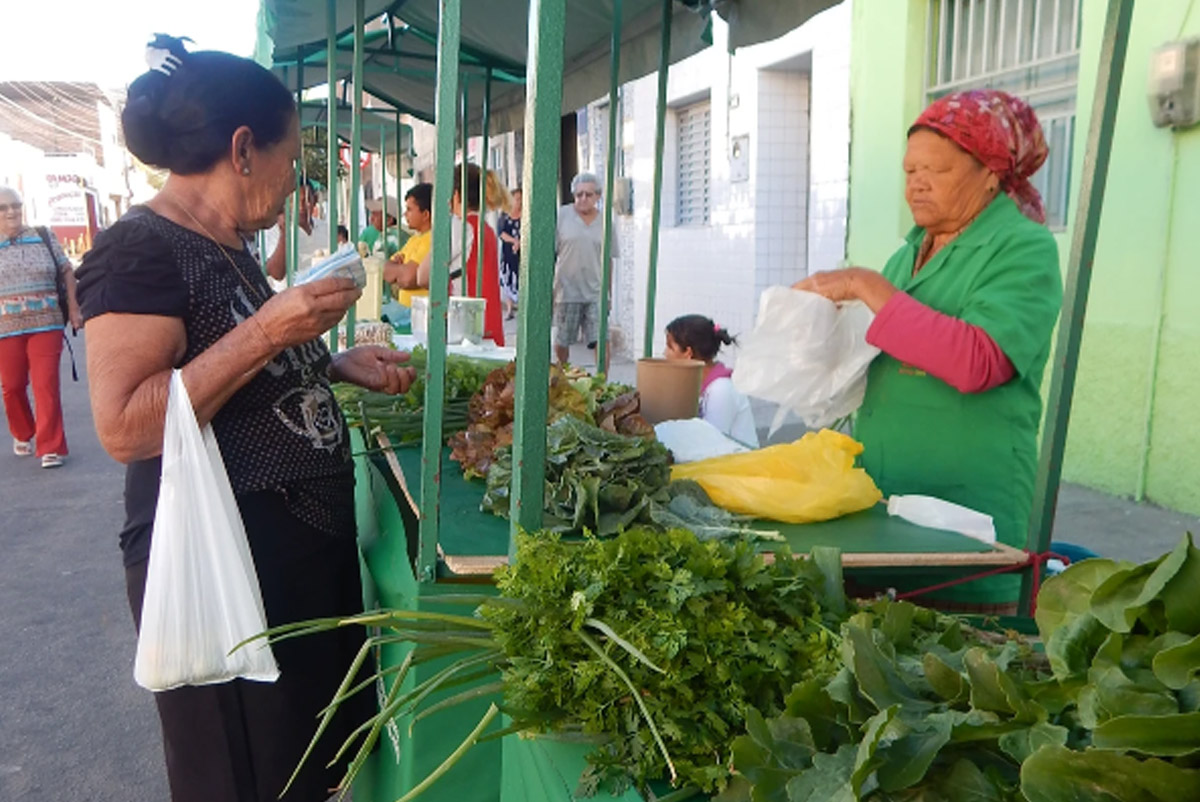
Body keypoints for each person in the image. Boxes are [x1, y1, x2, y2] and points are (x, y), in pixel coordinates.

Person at [75, 40, 416, 802]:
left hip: (293, 564)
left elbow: (228, 371)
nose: (295, 183)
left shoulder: (230, 244)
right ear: (242, 150)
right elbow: (128, 425)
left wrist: (326, 362)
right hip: (228, 568)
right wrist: (269, 330)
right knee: (247, 776)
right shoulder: (138, 249)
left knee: (306, 772)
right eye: (291, 160)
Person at [794, 89, 1063, 611]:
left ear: (989, 173)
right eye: (909, 170)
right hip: (888, 506)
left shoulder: (1023, 249)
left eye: (935, 170)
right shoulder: (909, 254)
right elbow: (889, 348)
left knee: (960, 665)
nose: (916, 183)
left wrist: (865, 287)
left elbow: (979, 360)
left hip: (968, 512)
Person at [0, 187, 81, 469]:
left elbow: (67, 271)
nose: (11, 211)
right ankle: (23, 431)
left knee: (45, 384)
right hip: (5, 328)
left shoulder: (43, 235)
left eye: (15, 205)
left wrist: (73, 308)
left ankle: (51, 446)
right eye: (3, 207)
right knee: (12, 386)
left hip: (46, 322)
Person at [413, 165, 505, 346]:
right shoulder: (486, 228)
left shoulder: (458, 228)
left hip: (466, 334)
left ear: (455, 195)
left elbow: (422, 277)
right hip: (489, 327)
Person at [663, 314, 759, 447]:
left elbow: (711, 444)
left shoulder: (721, 390)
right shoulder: (697, 384)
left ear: (688, 353)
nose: (665, 354)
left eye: (670, 347)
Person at [554, 172, 617, 369]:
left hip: (595, 292)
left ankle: (601, 383)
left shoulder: (606, 222)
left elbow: (609, 260)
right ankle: (563, 374)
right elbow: (550, 254)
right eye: (579, 194)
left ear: (598, 196)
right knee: (563, 340)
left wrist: (608, 294)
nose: (583, 199)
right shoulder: (562, 216)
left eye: (588, 195)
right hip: (567, 291)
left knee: (601, 339)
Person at [382, 182, 433, 291]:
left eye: (409, 209)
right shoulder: (414, 239)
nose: (405, 214)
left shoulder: (431, 240)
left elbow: (408, 279)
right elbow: (385, 270)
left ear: (425, 215)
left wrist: (398, 270)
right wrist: (401, 270)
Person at [497, 187, 521, 320]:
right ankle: (510, 308)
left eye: (520, 199)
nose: (519, 202)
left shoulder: (526, 215)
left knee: (521, 277)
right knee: (507, 279)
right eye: (516, 199)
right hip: (508, 252)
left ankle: (522, 304)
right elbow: (501, 233)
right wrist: (514, 241)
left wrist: (520, 242)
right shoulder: (505, 215)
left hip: (522, 252)